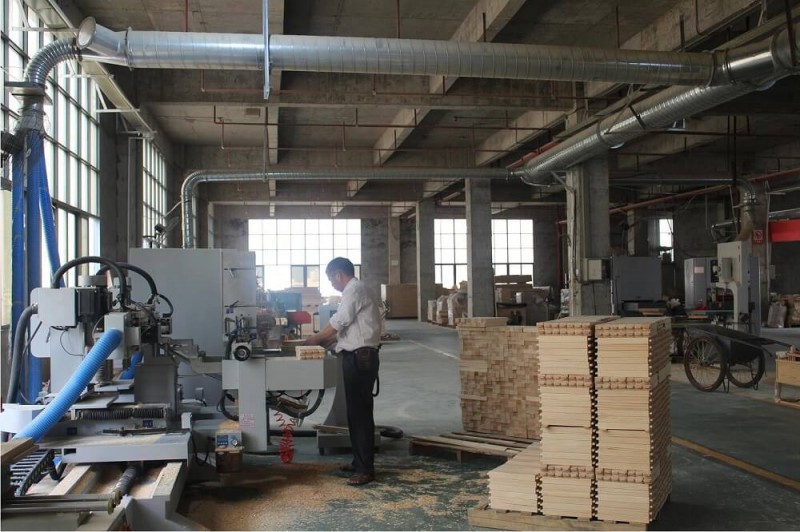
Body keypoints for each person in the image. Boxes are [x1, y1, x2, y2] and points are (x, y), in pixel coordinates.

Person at [305, 257, 381, 486]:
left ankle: (365, 469)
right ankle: (359, 463)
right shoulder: (355, 290)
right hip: (357, 356)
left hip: (360, 358)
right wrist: (328, 340)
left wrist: (315, 338)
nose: (332, 284)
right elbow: (347, 326)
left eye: (331, 279)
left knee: (360, 415)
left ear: (339, 274)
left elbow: (341, 320)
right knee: (355, 414)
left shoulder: (354, 289)